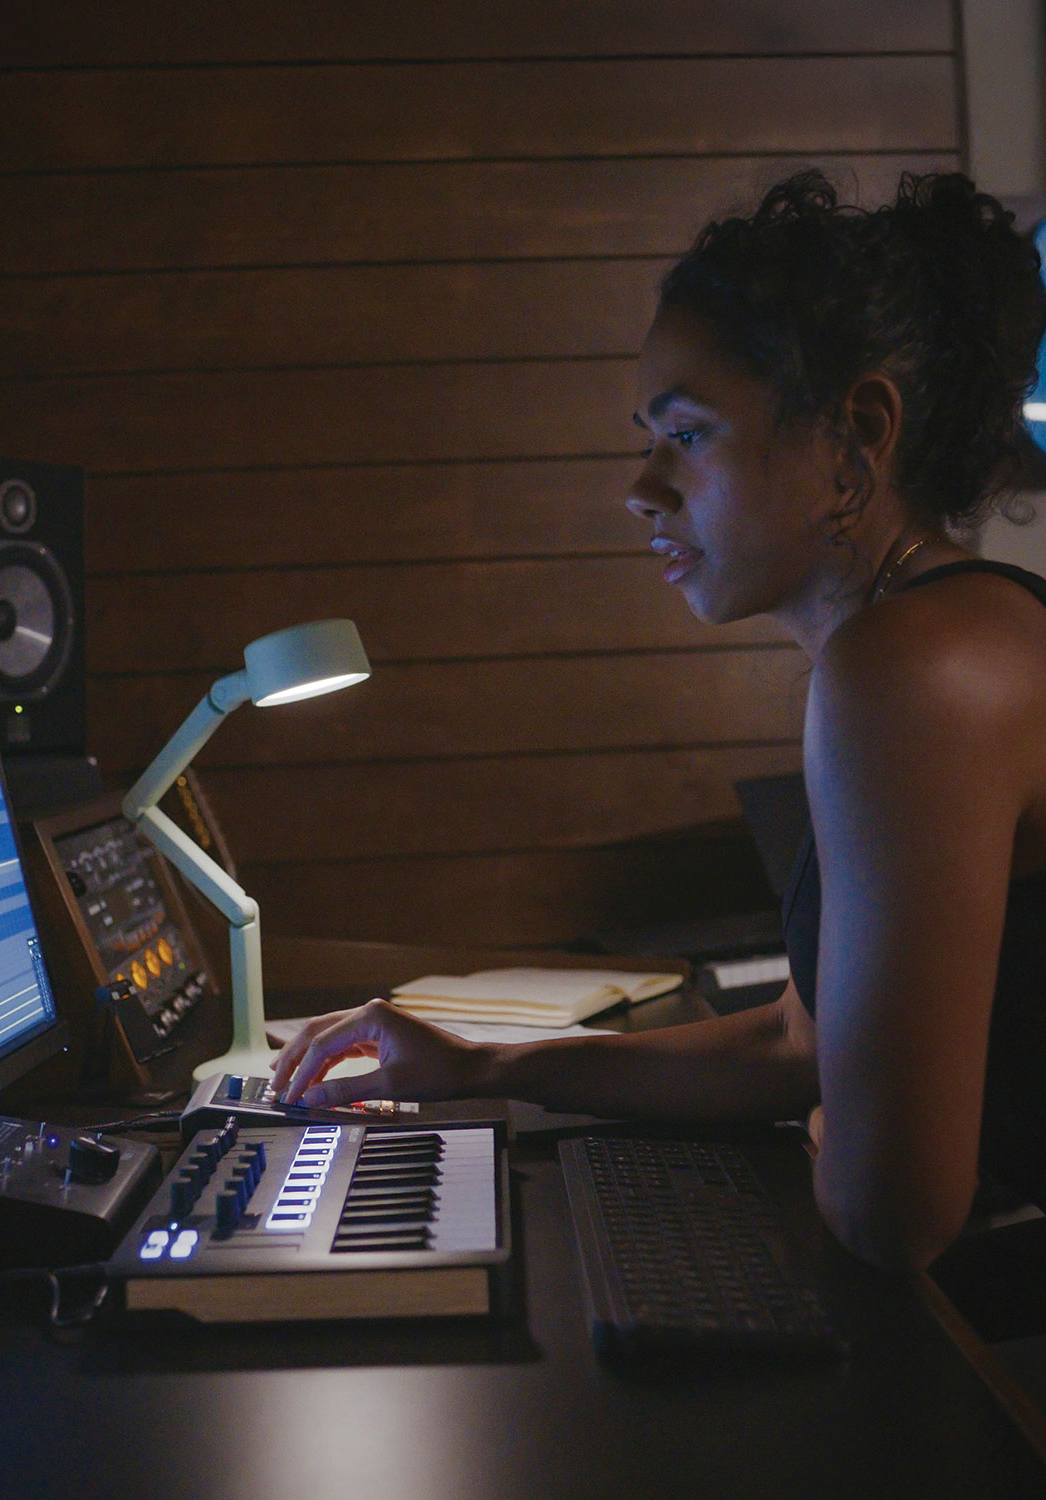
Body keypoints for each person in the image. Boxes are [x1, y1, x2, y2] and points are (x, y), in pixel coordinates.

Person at [273, 170, 1046, 1273]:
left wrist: (840, 1134)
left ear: (855, 436)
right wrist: (489, 1070)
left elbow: (890, 1210)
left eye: (686, 435)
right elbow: (798, 1042)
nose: (642, 487)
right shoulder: (931, 642)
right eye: (647, 436)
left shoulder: (914, 672)